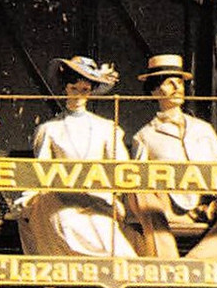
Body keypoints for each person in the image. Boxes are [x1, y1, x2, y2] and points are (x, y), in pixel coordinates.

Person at [16, 55, 136, 258]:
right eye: (74, 89)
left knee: (104, 230)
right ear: (65, 89)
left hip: (97, 199)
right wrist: (30, 198)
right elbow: (40, 172)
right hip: (61, 200)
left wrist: (117, 198)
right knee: (64, 221)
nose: (79, 95)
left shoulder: (106, 128)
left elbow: (121, 169)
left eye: (85, 90)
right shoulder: (50, 130)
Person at [124, 53, 217, 259]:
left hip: (209, 207)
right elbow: (137, 183)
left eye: (180, 82)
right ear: (155, 91)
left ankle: (198, 262)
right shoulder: (144, 136)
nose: (176, 87)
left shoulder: (203, 129)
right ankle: (170, 262)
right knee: (140, 193)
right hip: (168, 212)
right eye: (169, 82)